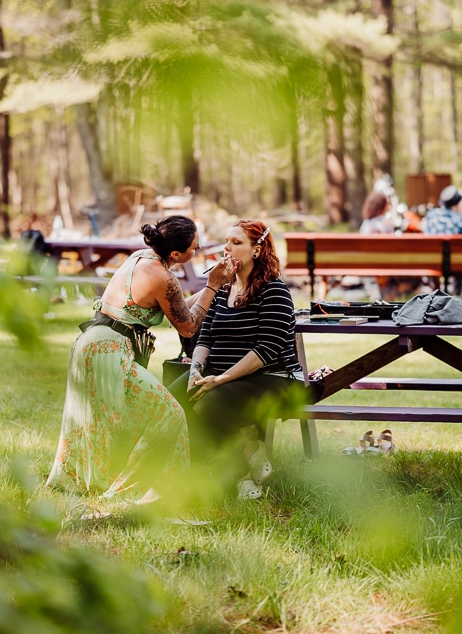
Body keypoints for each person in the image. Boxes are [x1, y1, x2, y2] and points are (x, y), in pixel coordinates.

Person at [46, 216, 237, 507]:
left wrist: (214, 288)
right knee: (169, 414)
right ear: (175, 254)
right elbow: (188, 327)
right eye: (194, 248)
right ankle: (143, 489)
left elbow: (178, 307)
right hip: (108, 351)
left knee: (113, 420)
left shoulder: (143, 258)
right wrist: (212, 285)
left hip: (92, 344)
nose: (197, 250)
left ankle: (100, 481)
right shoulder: (163, 276)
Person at [168, 220, 305, 500]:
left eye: (236, 242)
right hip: (221, 374)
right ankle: (244, 451)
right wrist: (196, 370)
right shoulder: (222, 289)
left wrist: (220, 379)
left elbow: (267, 349)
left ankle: (239, 474)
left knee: (209, 405)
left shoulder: (274, 290)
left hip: (270, 378)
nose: (227, 248)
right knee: (172, 401)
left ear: (257, 250)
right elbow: (204, 338)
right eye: (226, 241)